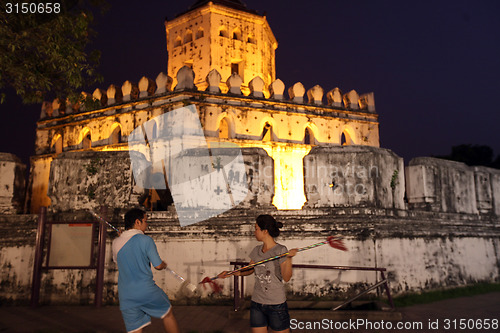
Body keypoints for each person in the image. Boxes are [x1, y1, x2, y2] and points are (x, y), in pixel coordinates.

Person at [218, 214, 298, 333]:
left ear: (264, 231)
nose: (254, 232)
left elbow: (286, 277)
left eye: (256, 229)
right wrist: (232, 273)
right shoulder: (256, 250)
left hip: (276, 304)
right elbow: (250, 269)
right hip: (257, 303)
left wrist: (289, 259)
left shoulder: (280, 250)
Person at [112, 208, 179, 333]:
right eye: (145, 221)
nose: (146, 225)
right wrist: (163, 264)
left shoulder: (116, 242)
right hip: (145, 291)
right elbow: (158, 266)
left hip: (126, 295)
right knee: (168, 313)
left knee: (135, 329)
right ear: (137, 222)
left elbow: (119, 260)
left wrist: (122, 238)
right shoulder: (146, 240)